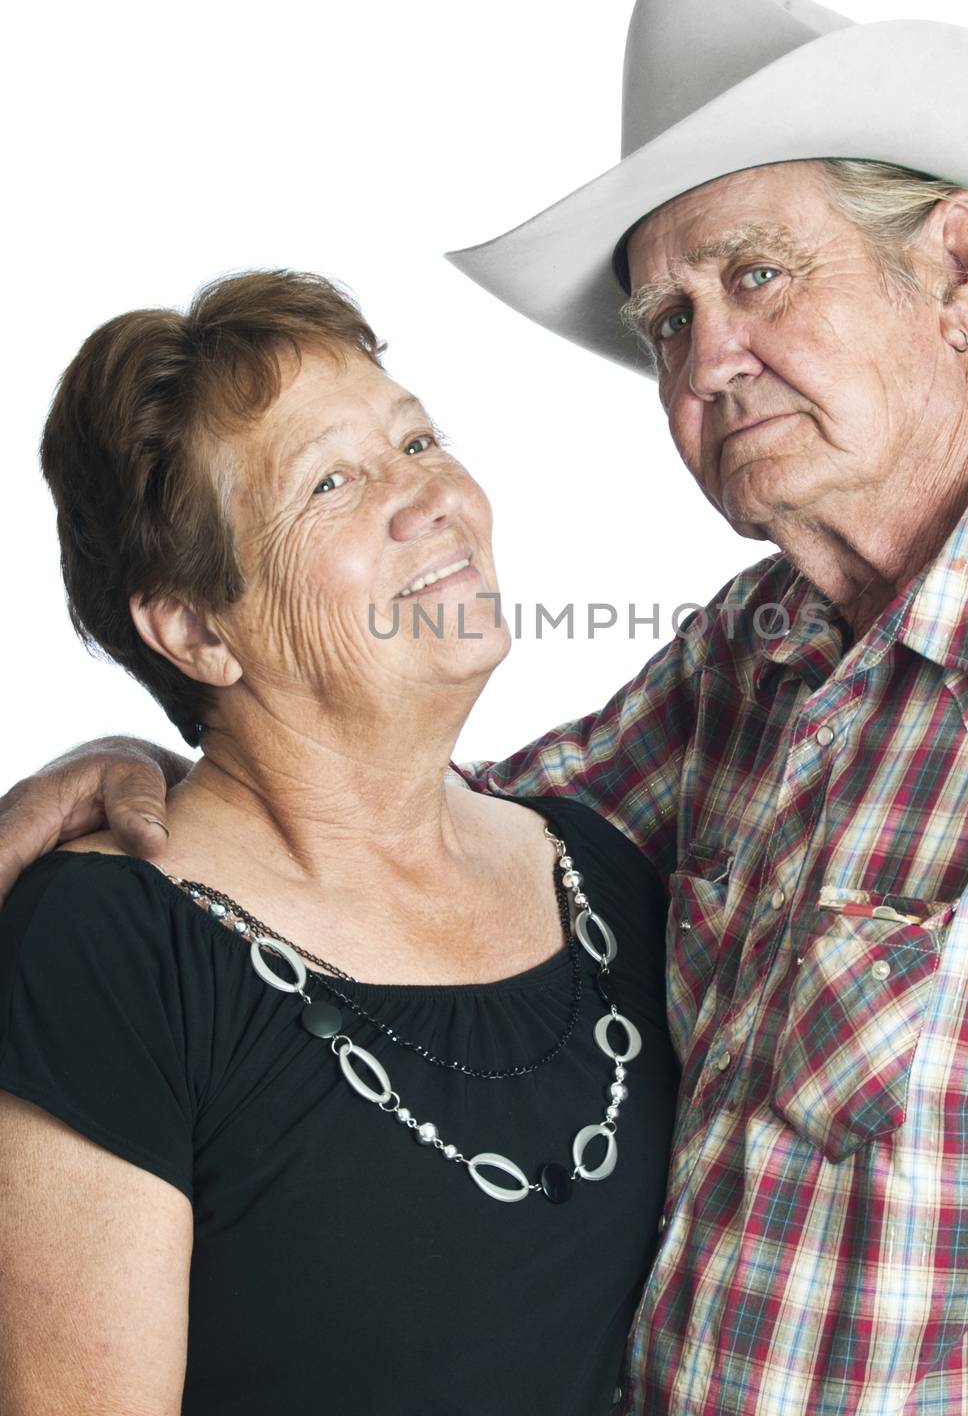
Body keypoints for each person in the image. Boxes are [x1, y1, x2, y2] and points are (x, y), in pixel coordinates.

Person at [2, 0, 968, 1414]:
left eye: (754, 275)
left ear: (949, 267)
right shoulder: (742, 669)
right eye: (666, 322)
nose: (708, 362)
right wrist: (138, 764)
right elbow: (381, 834)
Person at [0, 270, 678, 1416]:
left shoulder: (598, 868)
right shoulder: (112, 946)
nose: (430, 499)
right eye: (331, 481)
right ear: (197, 627)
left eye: (417, 440)